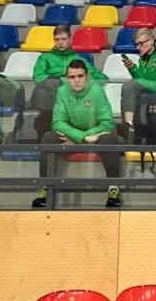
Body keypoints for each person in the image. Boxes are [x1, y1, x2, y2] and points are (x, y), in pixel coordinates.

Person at [33, 60, 122, 209]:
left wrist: (82, 137)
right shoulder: (62, 91)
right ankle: (45, 188)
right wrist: (82, 137)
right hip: (75, 135)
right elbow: (57, 122)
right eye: (72, 77)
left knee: (109, 139)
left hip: (94, 134)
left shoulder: (97, 91)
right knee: (49, 137)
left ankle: (113, 189)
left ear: (87, 76)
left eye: (80, 76)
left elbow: (107, 123)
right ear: (67, 78)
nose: (76, 80)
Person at [31, 24, 107, 140]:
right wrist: (63, 80)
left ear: (70, 39)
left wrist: (77, 81)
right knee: (53, 84)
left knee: (58, 85)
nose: (60, 42)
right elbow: (38, 78)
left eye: (63, 39)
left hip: (71, 96)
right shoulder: (45, 58)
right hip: (48, 97)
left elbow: (102, 78)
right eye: (57, 39)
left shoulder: (79, 60)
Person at [120, 27, 156, 136]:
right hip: (155, 93)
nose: (138, 47)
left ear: (151, 41)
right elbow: (143, 80)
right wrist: (133, 69)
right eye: (137, 44)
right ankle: (129, 128)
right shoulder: (144, 58)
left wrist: (137, 83)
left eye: (141, 43)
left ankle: (131, 128)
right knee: (130, 91)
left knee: (132, 89)